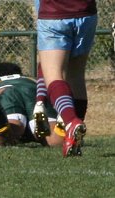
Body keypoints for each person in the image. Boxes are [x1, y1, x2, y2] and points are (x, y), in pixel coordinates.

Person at [33, 0, 98, 157]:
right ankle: (74, 138)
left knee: (54, 75)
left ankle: (71, 123)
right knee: (76, 76)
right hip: (86, 13)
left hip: (54, 14)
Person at [0, 62, 65, 147]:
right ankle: (61, 127)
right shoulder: (32, 81)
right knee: (54, 141)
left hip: (6, 93)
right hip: (36, 92)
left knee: (5, 140)